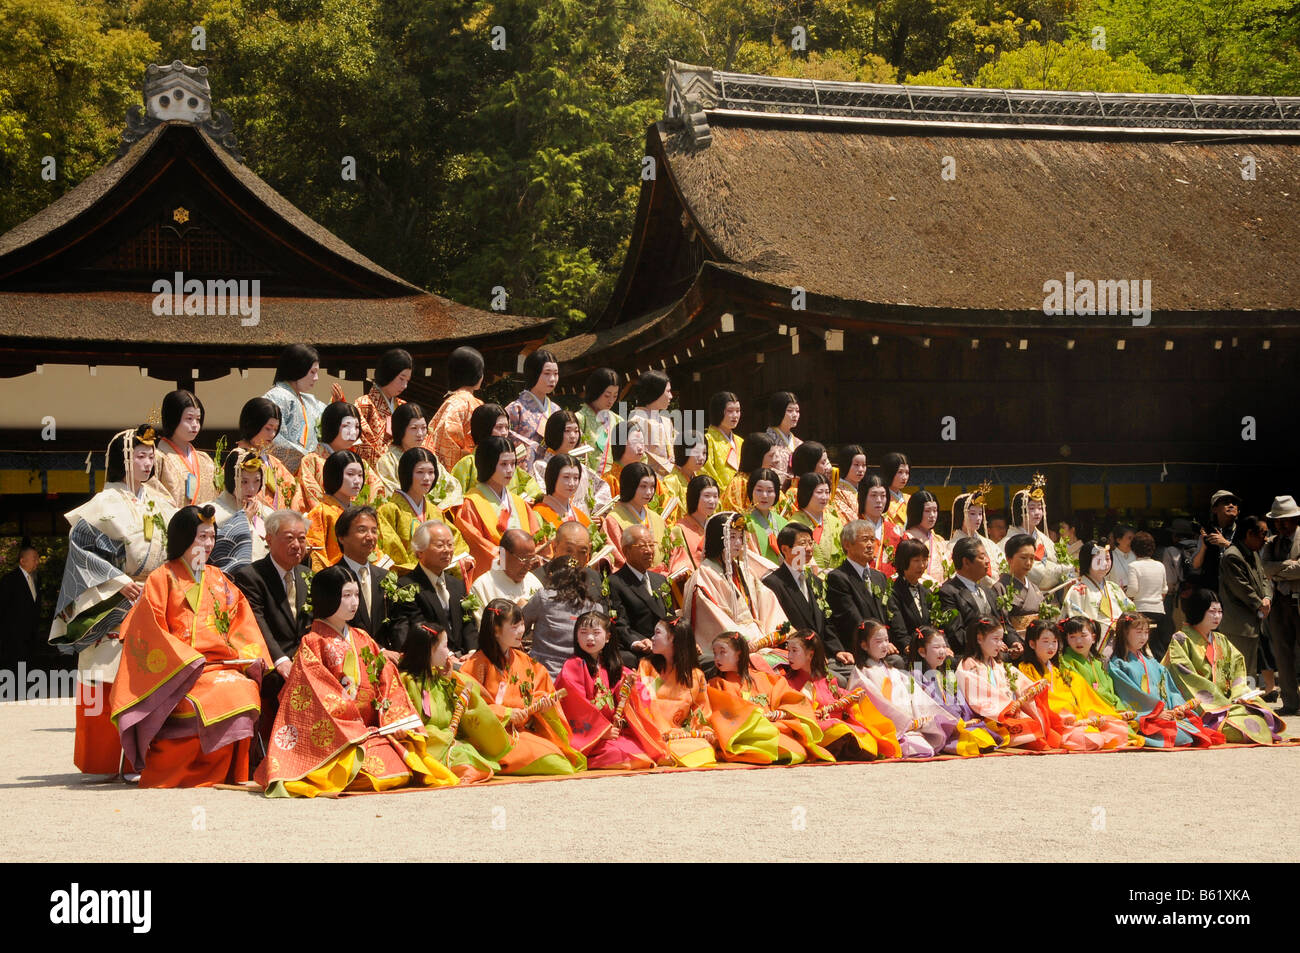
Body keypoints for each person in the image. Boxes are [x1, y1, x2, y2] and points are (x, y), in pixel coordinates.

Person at [255, 564, 457, 796]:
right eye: (346, 596)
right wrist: (352, 725)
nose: (354, 603)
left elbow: (386, 681)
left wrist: (394, 722)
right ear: (328, 597)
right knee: (366, 771)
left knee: (400, 768)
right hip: (340, 734)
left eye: (356, 595)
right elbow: (315, 695)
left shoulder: (362, 637)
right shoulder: (312, 642)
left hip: (373, 729)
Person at [111, 505, 274, 787]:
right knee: (229, 690)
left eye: (211, 537)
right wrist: (189, 661)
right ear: (184, 537)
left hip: (221, 666)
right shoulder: (161, 578)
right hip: (179, 670)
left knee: (243, 687)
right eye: (201, 537)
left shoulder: (219, 579)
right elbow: (149, 630)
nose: (208, 544)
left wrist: (250, 657)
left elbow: (241, 624)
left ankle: (226, 771)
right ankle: (187, 772)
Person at [49, 425, 176, 776]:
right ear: (123, 459)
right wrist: (119, 581)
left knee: (148, 677)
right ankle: (105, 760)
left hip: (153, 595)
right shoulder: (102, 504)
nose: (148, 461)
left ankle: (142, 756)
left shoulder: (160, 502)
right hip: (113, 599)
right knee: (106, 677)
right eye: (140, 455)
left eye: (151, 455)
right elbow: (81, 553)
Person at [460, 599, 585, 774]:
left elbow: (541, 685)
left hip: (520, 731)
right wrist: (506, 713)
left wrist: (542, 703)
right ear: (496, 630)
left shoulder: (523, 659)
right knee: (554, 762)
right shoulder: (476, 665)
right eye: (514, 626)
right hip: (491, 737)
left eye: (522, 624)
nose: (521, 631)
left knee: (562, 757)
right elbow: (469, 706)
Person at [228, 509, 312, 755]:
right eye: (289, 538)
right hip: (269, 660)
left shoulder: (307, 576)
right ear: (269, 538)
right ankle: (282, 753)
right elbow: (257, 623)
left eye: (302, 538)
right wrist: (281, 659)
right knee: (282, 680)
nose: (297, 545)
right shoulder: (251, 576)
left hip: (303, 657)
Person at [1165, 589, 1285, 744]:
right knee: (1238, 729)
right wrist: (1219, 700)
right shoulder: (1181, 639)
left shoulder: (1221, 639)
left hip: (1229, 701)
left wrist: (1239, 694)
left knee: (1262, 715)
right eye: (1212, 611)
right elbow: (1183, 674)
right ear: (1198, 611)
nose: (1217, 616)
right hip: (1201, 704)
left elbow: (1237, 670)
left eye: (1220, 611)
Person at [398, 620, 509, 782]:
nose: (448, 652)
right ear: (430, 650)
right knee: (466, 760)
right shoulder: (406, 680)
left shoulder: (439, 676)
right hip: (427, 743)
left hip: (448, 738)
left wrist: (450, 681)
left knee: (475, 755)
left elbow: (463, 705)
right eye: (444, 646)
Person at [556, 610, 666, 768]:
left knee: (641, 751)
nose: (590, 638)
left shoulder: (610, 665)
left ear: (608, 637)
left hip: (611, 731)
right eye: (583, 633)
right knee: (626, 758)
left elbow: (626, 692)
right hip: (588, 734)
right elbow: (575, 705)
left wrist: (628, 685)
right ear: (576, 636)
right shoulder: (573, 666)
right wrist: (602, 730)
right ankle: (588, 758)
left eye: (596, 633)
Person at [682, 512, 788, 665]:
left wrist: (775, 630)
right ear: (717, 539)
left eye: (740, 537)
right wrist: (747, 641)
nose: (738, 543)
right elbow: (714, 619)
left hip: (757, 639)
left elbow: (766, 600)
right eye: (732, 537)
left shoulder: (742, 571)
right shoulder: (703, 576)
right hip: (734, 645)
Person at [1107, 612, 1225, 748]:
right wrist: (1155, 714)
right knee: (1181, 737)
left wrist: (1176, 708)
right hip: (1144, 716)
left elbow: (1169, 689)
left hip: (1165, 712)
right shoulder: (1119, 665)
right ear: (1124, 633)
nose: (1143, 637)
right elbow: (1129, 696)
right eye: (1138, 632)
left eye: (1146, 632)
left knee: (1196, 730)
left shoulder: (1152, 663)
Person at [781, 629, 900, 760]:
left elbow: (838, 695)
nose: (789, 656)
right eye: (789, 650)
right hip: (814, 728)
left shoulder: (825, 678)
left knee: (866, 738)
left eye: (794, 650)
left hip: (834, 722)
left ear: (810, 655)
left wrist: (851, 696)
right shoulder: (787, 681)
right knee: (840, 730)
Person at [1018, 620, 1132, 750]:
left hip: (1075, 718)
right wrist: (1064, 715)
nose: (1051, 646)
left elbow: (1084, 695)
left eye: (1054, 641)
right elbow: (1036, 702)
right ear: (1032, 644)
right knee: (1092, 740)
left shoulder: (1061, 670)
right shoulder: (1026, 669)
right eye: (1045, 641)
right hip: (1055, 721)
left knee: (1118, 730)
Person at [709, 632, 822, 764]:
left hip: (771, 725)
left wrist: (779, 714)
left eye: (722, 652)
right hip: (740, 732)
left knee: (795, 748)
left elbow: (788, 697)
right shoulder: (716, 684)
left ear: (739, 654)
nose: (717, 658)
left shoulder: (763, 678)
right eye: (715, 653)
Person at [762, 524, 853, 681]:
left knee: (858, 672)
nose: (809, 549)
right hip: (798, 658)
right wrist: (811, 655)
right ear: (785, 549)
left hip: (824, 654)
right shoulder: (773, 583)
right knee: (842, 681)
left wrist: (837, 650)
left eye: (811, 543)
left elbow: (826, 622)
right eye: (803, 544)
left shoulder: (815, 581)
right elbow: (780, 627)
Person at [956, 619, 1059, 750]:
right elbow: (978, 697)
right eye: (996, 639)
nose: (1000, 644)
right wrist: (1007, 706)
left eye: (1001, 639)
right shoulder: (969, 664)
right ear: (980, 638)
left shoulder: (999, 664)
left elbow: (1021, 683)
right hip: (988, 716)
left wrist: (1033, 688)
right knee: (1030, 731)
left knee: (1038, 726)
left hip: (1008, 712)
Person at [385, 521, 478, 658]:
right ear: (420, 552)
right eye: (440, 545)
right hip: (432, 660)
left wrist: (472, 652)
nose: (447, 550)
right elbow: (419, 628)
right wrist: (448, 656)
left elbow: (468, 623)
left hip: (465, 659)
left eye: (450, 544)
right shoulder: (406, 587)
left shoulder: (457, 584)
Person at [455, 436, 541, 585]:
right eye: (503, 464)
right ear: (488, 464)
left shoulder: (519, 502)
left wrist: (533, 556)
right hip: (492, 579)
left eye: (513, 463)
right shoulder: (471, 503)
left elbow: (536, 538)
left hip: (523, 575)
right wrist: (509, 560)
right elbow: (477, 545)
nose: (510, 470)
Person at [908, 627, 1004, 756]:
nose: (942, 651)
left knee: (987, 734)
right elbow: (933, 706)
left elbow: (958, 700)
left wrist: (964, 717)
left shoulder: (944, 674)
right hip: (938, 726)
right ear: (922, 652)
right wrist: (955, 721)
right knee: (973, 741)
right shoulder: (916, 676)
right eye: (936, 647)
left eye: (944, 646)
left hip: (955, 721)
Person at [635, 618, 717, 766]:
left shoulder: (695, 675)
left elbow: (701, 709)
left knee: (704, 752)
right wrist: (663, 731)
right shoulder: (648, 666)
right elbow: (644, 702)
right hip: (652, 732)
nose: (652, 638)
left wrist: (702, 730)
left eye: (657, 633)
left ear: (673, 637)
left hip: (680, 734)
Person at [375, 447, 465, 572]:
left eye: (431, 472)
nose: (427, 478)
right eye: (420, 472)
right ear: (407, 473)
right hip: (407, 579)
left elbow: (456, 541)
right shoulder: (389, 511)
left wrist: (461, 559)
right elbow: (391, 548)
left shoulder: (435, 511)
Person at [292, 401, 386, 513]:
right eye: (346, 426)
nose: (353, 432)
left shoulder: (360, 463)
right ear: (332, 425)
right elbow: (311, 497)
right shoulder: (311, 461)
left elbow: (377, 490)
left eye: (356, 427)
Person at [826, 521, 894, 664]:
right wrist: (878, 643)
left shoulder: (879, 577)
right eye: (864, 540)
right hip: (859, 648)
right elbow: (850, 617)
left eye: (872, 540)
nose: (870, 545)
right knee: (896, 662)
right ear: (847, 544)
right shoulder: (838, 577)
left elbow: (889, 613)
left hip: (882, 647)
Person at [607, 525, 673, 670]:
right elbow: (620, 623)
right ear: (626, 551)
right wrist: (637, 641)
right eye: (642, 546)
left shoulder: (660, 580)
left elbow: (671, 618)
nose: (649, 551)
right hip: (643, 648)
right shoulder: (615, 582)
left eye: (651, 545)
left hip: (667, 646)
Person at [523, 556, 603, 677]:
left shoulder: (543, 598)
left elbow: (521, 626)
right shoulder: (595, 608)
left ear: (551, 575)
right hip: (578, 677)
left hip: (542, 675)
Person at [938, 537, 1016, 656]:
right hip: (971, 655)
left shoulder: (988, 591)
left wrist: (1014, 642)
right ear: (966, 562)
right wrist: (988, 646)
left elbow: (1004, 624)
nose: (987, 561)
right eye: (982, 557)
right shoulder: (948, 592)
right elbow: (956, 634)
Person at [331, 505, 395, 649]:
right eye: (362, 530)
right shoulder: (332, 578)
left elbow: (397, 622)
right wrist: (378, 650)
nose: (370, 536)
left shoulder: (385, 577)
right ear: (341, 537)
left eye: (374, 531)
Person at [1218, 515, 1273, 679]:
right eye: (1262, 534)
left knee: (1250, 671)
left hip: (1254, 622)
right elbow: (1242, 588)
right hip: (1239, 625)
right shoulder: (1232, 556)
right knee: (1238, 673)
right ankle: (1240, 703)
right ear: (1249, 533)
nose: (1266, 539)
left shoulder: (1254, 553)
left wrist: (1268, 598)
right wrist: (1260, 604)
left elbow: (1264, 578)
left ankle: (1248, 702)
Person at [448, 403, 541, 499]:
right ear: (484, 429)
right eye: (499, 427)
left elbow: (533, 491)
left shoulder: (511, 466)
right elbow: (453, 499)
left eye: (507, 427)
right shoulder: (468, 464)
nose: (505, 433)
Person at [263, 343, 331, 473]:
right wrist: (309, 459)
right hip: (284, 471)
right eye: (312, 372)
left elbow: (329, 417)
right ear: (298, 368)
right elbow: (274, 440)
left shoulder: (308, 400)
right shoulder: (278, 396)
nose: (316, 378)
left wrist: (338, 407)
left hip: (310, 469)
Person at [1261, 495, 1300, 715]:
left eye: (1284, 520)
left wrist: (1278, 572)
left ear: (1295, 519)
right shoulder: (1271, 542)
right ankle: (1290, 701)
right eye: (1277, 521)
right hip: (1279, 604)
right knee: (1282, 654)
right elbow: (1265, 569)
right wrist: (1288, 567)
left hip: (1297, 600)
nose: (1280, 524)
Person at [530, 411, 610, 518]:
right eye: (567, 431)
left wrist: (596, 514)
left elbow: (602, 488)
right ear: (554, 432)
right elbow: (540, 496)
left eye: (576, 431)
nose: (573, 436)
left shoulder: (581, 468)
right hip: (556, 519)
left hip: (583, 522)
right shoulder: (541, 466)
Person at [209, 448, 274, 571]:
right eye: (244, 481)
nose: (251, 489)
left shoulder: (267, 513)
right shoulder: (213, 513)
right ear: (230, 479)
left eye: (257, 481)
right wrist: (242, 521)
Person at [151, 389, 216, 507]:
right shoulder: (157, 458)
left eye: (198, 419)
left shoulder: (205, 460)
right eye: (189, 418)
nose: (195, 424)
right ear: (173, 419)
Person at [1063, 540, 1137, 644]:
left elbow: (1130, 610)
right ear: (1087, 560)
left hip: (1119, 640)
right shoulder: (1078, 590)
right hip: (1093, 642)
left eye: (1107, 559)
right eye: (1099, 560)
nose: (1105, 564)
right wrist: (1105, 628)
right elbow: (1075, 617)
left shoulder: (1114, 587)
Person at [304, 450, 366, 572]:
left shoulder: (361, 514)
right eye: (350, 474)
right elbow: (316, 554)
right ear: (335, 475)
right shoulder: (320, 513)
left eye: (360, 475)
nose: (357, 481)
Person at [427, 346, 486, 471]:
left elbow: (443, 442)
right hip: (478, 467)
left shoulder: (454, 403)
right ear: (477, 374)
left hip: (461, 468)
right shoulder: (474, 404)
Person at [233, 397, 297, 511]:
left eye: (275, 429)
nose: (272, 434)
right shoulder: (237, 459)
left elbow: (294, 492)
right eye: (268, 428)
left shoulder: (273, 462)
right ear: (253, 425)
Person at [354, 347, 415, 466]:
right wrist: (385, 466)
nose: (405, 385)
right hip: (377, 469)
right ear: (389, 373)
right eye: (401, 379)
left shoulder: (403, 406)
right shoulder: (363, 405)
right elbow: (361, 444)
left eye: (407, 381)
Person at [602, 462, 668, 571]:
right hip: (630, 582)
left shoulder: (657, 518)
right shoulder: (614, 520)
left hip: (660, 579)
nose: (649, 492)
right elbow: (616, 558)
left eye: (652, 487)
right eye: (643, 486)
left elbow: (671, 553)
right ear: (630, 486)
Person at [467, 529, 543, 622]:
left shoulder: (533, 582)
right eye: (523, 559)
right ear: (502, 554)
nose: (528, 565)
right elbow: (481, 631)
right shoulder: (481, 587)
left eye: (531, 559)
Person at [1008, 474, 1067, 590]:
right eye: (1031, 508)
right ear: (1020, 510)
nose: (1037, 512)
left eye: (1040, 508)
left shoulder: (1045, 540)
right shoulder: (1009, 541)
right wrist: (1060, 570)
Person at [505, 348, 560, 469]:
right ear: (533, 373)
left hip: (553, 471)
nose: (552, 379)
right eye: (547, 373)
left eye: (555, 373)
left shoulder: (557, 410)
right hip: (524, 473)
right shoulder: (515, 409)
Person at [1057, 616, 1127, 711]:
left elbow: (1109, 689)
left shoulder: (1097, 661)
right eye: (1072, 637)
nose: (1078, 641)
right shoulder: (1066, 662)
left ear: (1093, 637)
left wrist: (1118, 707)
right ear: (1067, 639)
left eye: (1083, 635)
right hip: (1088, 709)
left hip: (1108, 707)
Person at [1125, 531, 1171, 659]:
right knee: (1158, 648)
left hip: (1141, 611)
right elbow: (1164, 590)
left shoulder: (1133, 566)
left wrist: (1124, 594)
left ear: (1134, 549)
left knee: (1142, 648)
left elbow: (1133, 590)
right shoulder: (1160, 565)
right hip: (1159, 611)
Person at [0, 542, 43, 677]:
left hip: (31, 635)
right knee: (15, 671)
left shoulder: (36, 579)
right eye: (34, 558)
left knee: (28, 670)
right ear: (23, 561)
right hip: (13, 637)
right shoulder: (9, 580)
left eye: (37, 558)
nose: (37, 562)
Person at [947, 483, 1006, 580]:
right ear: (961, 515)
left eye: (980, 513)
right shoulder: (954, 546)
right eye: (973, 514)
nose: (978, 518)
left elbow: (1004, 565)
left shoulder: (988, 543)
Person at [787, 472, 843, 571]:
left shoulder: (835, 521)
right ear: (807, 493)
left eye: (827, 492)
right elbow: (795, 561)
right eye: (819, 492)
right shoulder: (795, 524)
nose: (825, 497)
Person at [533, 454, 593, 546]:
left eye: (576, 478)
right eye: (566, 477)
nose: (572, 483)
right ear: (553, 477)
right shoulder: (538, 514)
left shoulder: (579, 515)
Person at [720, 431, 787, 514]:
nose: (776, 460)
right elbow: (732, 515)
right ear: (757, 457)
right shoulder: (738, 484)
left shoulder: (770, 480)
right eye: (771, 456)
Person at [666, 474, 718, 578]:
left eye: (715, 496)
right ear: (695, 496)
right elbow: (679, 563)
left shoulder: (715, 526)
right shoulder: (678, 529)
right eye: (707, 496)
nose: (712, 501)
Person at [627, 370, 677, 477]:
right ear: (656, 392)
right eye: (668, 391)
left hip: (671, 478)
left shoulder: (666, 421)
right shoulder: (636, 421)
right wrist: (667, 465)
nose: (671, 396)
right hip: (648, 478)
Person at [888, 537, 933, 654]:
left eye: (924, 560)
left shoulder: (927, 592)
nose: (922, 565)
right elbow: (898, 629)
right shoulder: (893, 592)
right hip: (908, 652)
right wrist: (909, 646)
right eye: (916, 560)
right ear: (904, 561)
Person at [375, 402, 430, 496]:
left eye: (424, 428)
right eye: (414, 428)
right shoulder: (388, 462)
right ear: (400, 429)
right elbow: (392, 493)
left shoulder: (428, 457)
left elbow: (450, 485)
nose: (420, 434)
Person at [999, 533, 1046, 639]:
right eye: (1023, 557)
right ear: (1009, 558)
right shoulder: (1000, 587)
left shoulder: (1034, 587)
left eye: (1032, 558)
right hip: (1014, 643)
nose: (1028, 563)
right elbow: (1002, 622)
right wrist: (1014, 642)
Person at [575, 367, 623, 468]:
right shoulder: (579, 419)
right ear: (595, 391)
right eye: (607, 395)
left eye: (615, 396)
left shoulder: (618, 421)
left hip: (613, 480)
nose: (611, 401)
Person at [1194, 489, 1241, 592]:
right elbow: (1196, 565)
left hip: (1237, 589)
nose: (1231, 505)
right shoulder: (1207, 532)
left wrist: (1226, 544)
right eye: (1226, 503)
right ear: (1215, 509)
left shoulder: (1244, 531)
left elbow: (1253, 560)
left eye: (1234, 503)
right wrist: (1204, 547)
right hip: (1213, 590)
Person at [741, 466, 787, 567]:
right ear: (751, 491)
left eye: (770, 491)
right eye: (759, 490)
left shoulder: (784, 522)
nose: (764, 495)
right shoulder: (743, 522)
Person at [857, 477, 902, 574]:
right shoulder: (853, 529)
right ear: (863, 497)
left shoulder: (896, 532)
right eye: (873, 495)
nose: (879, 500)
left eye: (883, 496)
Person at [658, 435, 707, 524]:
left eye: (704, 453)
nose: (701, 458)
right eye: (696, 453)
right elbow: (670, 515)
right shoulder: (671, 481)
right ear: (683, 452)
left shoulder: (701, 478)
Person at [903, 490, 947, 585]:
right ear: (916, 512)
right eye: (927, 511)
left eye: (935, 511)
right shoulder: (907, 537)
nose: (932, 515)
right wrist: (932, 584)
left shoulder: (939, 539)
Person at [702, 391, 744, 491]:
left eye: (738, 411)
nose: (735, 415)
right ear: (718, 411)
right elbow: (706, 472)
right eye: (730, 411)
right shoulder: (707, 440)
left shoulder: (740, 441)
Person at [832, 445, 867, 527]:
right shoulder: (837, 492)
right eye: (856, 465)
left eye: (863, 465)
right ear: (846, 464)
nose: (861, 469)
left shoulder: (865, 489)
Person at [763, 391, 802, 460]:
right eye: (790, 411)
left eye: (797, 411)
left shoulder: (799, 443)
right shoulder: (766, 441)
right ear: (778, 412)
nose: (795, 415)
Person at [880, 452, 911, 529]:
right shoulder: (881, 500)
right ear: (889, 472)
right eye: (900, 472)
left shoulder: (909, 499)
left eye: (907, 473)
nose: (904, 477)